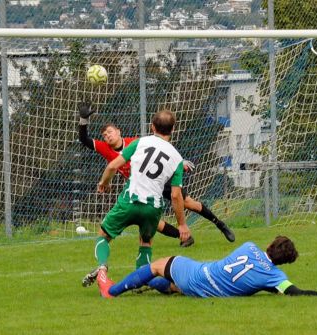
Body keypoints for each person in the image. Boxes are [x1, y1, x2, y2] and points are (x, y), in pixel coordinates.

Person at [77, 102, 235, 248]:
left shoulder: (135, 142)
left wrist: (181, 162)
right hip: (142, 189)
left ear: (118, 132)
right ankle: (185, 237)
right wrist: (83, 120)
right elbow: (84, 139)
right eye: (104, 135)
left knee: (188, 203)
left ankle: (220, 224)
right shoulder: (105, 148)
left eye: (110, 132)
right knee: (154, 222)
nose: (107, 136)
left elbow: (161, 149)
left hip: (160, 181)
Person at [83, 110, 191, 297]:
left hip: (130, 201)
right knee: (146, 242)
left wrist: (103, 184)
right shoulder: (176, 157)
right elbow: (176, 195)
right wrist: (182, 224)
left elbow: (112, 166)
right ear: (173, 129)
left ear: (152, 127)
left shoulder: (141, 142)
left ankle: (102, 269)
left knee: (104, 235)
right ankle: (143, 283)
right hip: (152, 208)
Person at [98, 236, 317, 299]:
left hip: (200, 274)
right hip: (205, 292)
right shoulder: (275, 277)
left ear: (270, 245)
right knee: (174, 286)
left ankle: (113, 291)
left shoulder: (250, 245)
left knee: (157, 265)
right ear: (284, 262)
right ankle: (137, 287)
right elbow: (294, 293)